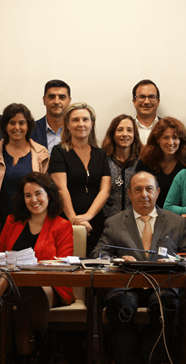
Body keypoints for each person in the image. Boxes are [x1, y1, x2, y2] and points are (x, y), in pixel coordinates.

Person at [93, 171, 186, 364]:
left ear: (158, 193)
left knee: (165, 305)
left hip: (163, 285)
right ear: (129, 194)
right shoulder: (114, 222)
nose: (144, 195)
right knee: (120, 306)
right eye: (138, 190)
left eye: (149, 189)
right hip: (125, 284)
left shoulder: (176, 222)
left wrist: (173, 261)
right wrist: (118, 260)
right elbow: (99, 254)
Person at [0, 172, 74, 364]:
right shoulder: (13, 221)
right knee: (25, 295)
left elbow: (64, 265)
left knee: (29, 293)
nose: (33, 200)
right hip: (13, 286)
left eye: (38, 193)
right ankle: (43, 348)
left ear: (49, 195)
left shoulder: (62, 225)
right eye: (28, 195)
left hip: (52, 285)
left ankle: (24, 363)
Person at [49, 102, 111, 254]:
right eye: (75, 120)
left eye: (85, 119)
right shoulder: (59, 151)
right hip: (66, 221)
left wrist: (88, 217)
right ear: (67, 125)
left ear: (92, 123)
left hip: (95, 221)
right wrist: (74, 221)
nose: (81, 124)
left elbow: (105, 189)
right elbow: (60, 188)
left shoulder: (101, 154)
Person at [0, 103, 49, 242]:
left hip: (32, 223)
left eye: (22, 123)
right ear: (5, 126)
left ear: (28, 126)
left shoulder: (41, 153)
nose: (17, 127)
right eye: (12, 123)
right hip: (0, 222)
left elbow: (47, 192)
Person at [136, 117, 186, 207]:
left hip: (182, 215)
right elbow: (139, 193)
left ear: (181, 140)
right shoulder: (146, 162)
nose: (171, 142)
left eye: (175, 137)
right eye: (166, 137)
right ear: (158, 139)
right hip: (152, 214)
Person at [102, 114, 142, 218]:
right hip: (107, 222)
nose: (125, 134)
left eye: (129, 130)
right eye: (120, 130)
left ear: (134, 134)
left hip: (135, 222)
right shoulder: (103, 161)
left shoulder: (142, 162)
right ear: (112, 134)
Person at [30, 79, 71, 154]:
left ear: (69, 101)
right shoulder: (30, 130)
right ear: (44, 100)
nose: (56, 102)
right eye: (51, 97)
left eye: (62, 97)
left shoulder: (75, 130)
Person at [132, 79, 161, 144]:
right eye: (142, 97)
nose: (147, 102)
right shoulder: (125, 131)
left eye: (151, 97)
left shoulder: (169, 128)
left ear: (158, 102)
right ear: (134, 101)